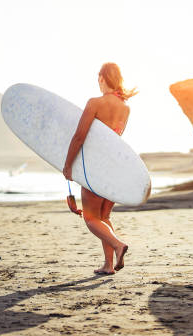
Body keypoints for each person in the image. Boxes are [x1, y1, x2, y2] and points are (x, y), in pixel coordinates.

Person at [62, 62, 137, 275]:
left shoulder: (95, 103)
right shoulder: (125, 108)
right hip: (115, 167)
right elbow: (114, 139)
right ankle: (108, 265)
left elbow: (79, 136)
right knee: (104, 217)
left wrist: (68, 165)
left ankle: (118, 245)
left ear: (103, 78)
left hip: (96, 167)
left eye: (98, 79)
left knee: (90, 217)